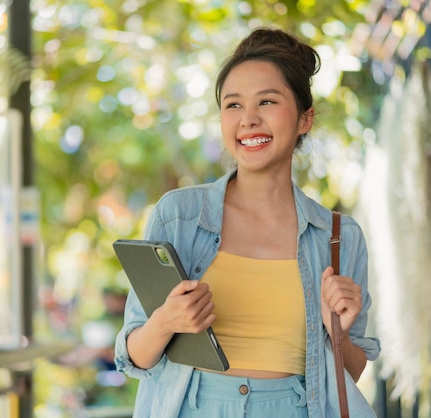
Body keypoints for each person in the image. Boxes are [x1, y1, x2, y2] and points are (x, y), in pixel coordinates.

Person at [114, 27, 381, 418]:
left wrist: (336, 331)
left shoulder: (339, 237)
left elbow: (350, 376)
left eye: (267, 101)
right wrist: (167, 322)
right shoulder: (179, 216)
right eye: (233, 105)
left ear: (305, 119)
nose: (248, 120)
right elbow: (133, 356)